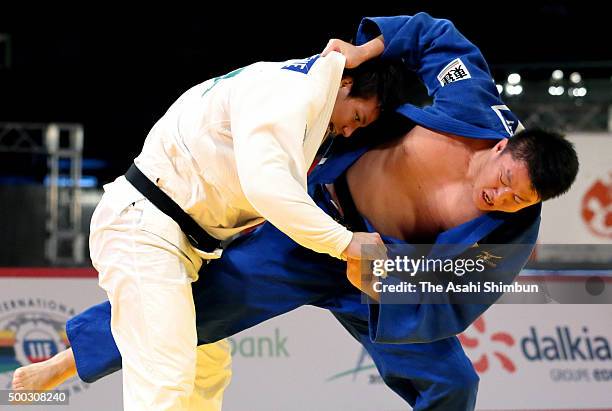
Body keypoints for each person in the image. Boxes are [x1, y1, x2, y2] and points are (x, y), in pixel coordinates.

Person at [13, 12, 579, 411]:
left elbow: (458, 292)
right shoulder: (475, 104)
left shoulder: (512, 231)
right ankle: (65, 362)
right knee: (192, 314)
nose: (502, 199)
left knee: (455, 384)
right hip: (317, 226)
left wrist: (386, 279)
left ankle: (67, 363)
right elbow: (432, 34)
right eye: (506, 182)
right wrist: (363, 53)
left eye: (519, 200)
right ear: (503, 147)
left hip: (382, 281)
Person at [72, 49, 406, 410]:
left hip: (183, 239)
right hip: (144, 225)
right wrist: (344, 242)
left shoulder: (304, 95)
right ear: (346, 83)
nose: (348, 130)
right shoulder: (292, 92)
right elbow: (268, 189)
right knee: (165, 378)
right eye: (356, 116)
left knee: (207, 370)